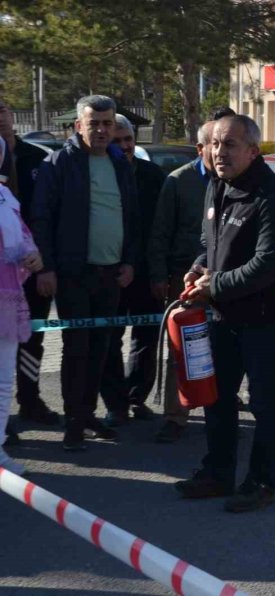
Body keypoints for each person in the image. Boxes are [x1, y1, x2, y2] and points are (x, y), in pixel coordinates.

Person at [174, 115, 275, 513]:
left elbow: (268, 265)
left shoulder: (274, 198)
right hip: (221, 316)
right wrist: (197, 268)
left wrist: (215, 285)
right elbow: (210, 245)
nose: (218, 152)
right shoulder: (216, 185)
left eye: (228, 145)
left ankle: (261, 481)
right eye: (214, 144)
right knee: (218, 398)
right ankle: (218, 473)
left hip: (266, 318)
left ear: (252, 150)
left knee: (264, 403)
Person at [31, 95, 140, 452]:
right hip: (73, 274)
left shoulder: (120, 163)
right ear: (79, 125)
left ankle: (89, 413)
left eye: (107, 123)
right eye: (94, 123)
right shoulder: (58, 163)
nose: (102, 130)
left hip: (111, 274)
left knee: (103, 347)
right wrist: (46, 268)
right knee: (77, 349)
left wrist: (128, 261)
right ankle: (73, 424)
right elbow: (42, 219)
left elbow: (130, 216)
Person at [147, 121, 214, 443]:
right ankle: (175, 416)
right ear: (200, 149)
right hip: (184, 280)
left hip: (223, 281)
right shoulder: (179, 181)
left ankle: (221, 412)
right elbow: (160, 232)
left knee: (223, 347)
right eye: (213, 144)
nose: (220, 150)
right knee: (180, 352)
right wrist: (159, 275)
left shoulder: (238, 181)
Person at [0, 98, 61, 436]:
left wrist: (45, 267)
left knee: (33, 338)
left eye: (2, 109)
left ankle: (30, 399)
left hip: (33, 264)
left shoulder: (39, 159)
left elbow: (48, 217)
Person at [100, 115, 166, 425]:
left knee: (146, 337)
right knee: (109, 339)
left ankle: (137, 396)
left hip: (147, 272)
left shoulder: (154, 175)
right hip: (109, 272)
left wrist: (157, 274)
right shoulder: (98, 176)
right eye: (118, 140)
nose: (125, 146)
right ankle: (116, 404)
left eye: (129, 139)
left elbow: (163, 228)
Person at [0, 136, 45, 473]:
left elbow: (24, 237)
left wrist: (32, 255)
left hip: (7, 299)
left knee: (2, 381)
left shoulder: (5, 196)